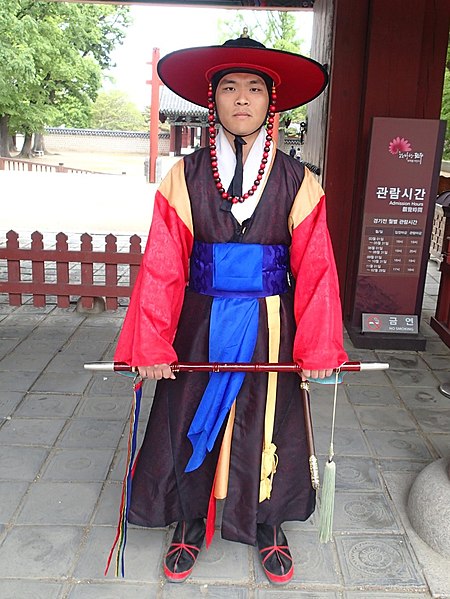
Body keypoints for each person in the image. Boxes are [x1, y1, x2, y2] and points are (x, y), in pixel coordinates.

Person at [114, 31, 348, 585]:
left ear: (272, 100)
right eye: (229, 88)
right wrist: (150, 343)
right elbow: (164, 264)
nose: (241, 99)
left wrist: (317, 346)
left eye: (254, 89)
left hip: (271, 324)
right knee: (189, 413)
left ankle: (268, 523)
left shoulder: (299, 180)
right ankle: (189, 520)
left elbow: (316, 268)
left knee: (271, 423)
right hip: (199, 321)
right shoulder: (184, 175)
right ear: (211, 98)